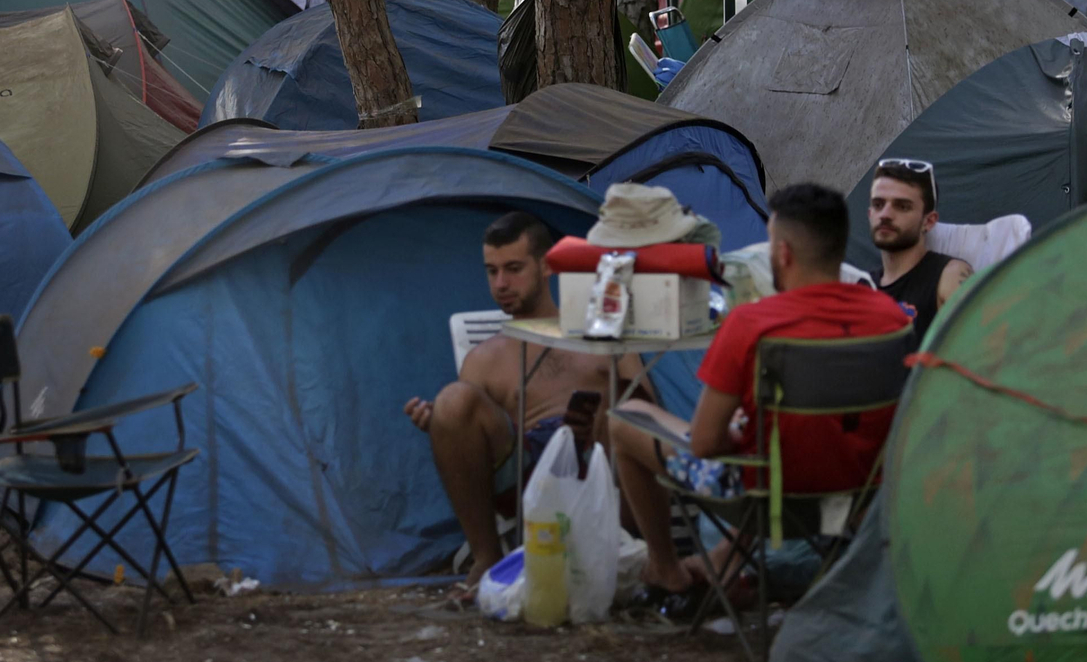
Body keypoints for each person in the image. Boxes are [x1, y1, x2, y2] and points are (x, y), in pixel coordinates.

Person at [608, 184, 910, 618]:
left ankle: (665, 570)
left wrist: (735, 434)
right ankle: (729, 560)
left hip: (767, 503)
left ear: (782, 253)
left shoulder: (752, 323)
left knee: (626, 418)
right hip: (857, 502)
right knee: (773, 439)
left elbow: (704, 444)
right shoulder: (891, 318)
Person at [404, 212, 642, 598]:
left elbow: (646, 411)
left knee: (626, 407)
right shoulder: (485, 358)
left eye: (513, 269)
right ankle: (487, 558)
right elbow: (470, 435)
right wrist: (441, 422)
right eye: (492, 271)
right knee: (453, 400)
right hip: (531, 472)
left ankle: (632, 548)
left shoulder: (602, 333)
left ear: (546, 265)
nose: (501, 284)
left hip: (603, 461)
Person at [870, 158, 972, 340]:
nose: (885, 214)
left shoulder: (949, 276)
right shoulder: (859, 286)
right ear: (870, 213)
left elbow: (987, 346)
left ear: (929, 221)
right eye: (878, 204)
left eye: (902, 206)